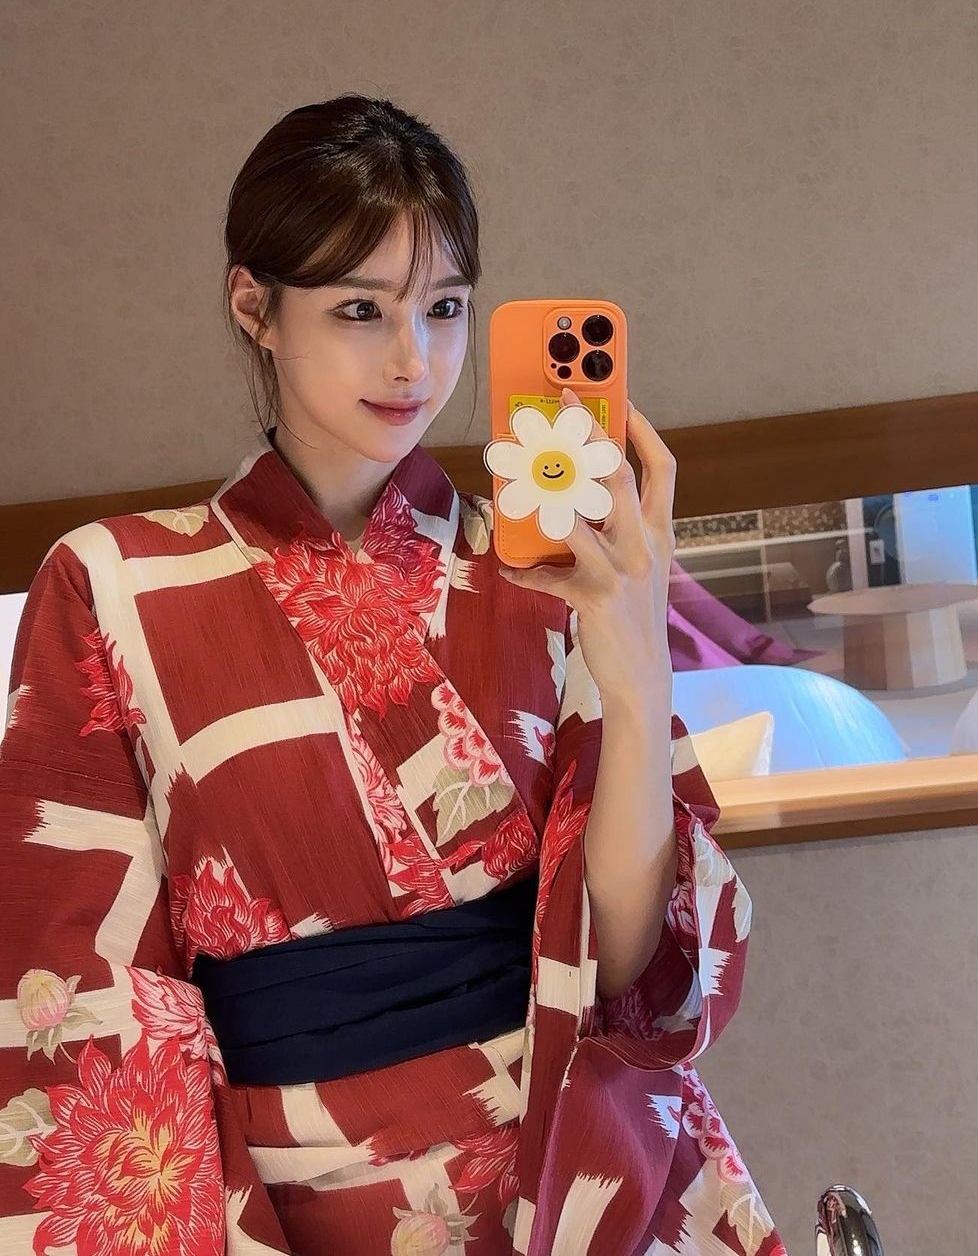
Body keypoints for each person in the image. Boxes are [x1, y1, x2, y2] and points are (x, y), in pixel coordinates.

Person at [0, 93, 787, 1255]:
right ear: (255, 307)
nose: (416, 359)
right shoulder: (112, 584)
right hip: (297, 1202)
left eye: (445, 306)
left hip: (572, 1175)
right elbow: (81, 995)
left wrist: (636, 673)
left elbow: (627, 970)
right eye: (361, 308)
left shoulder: (548, 576)